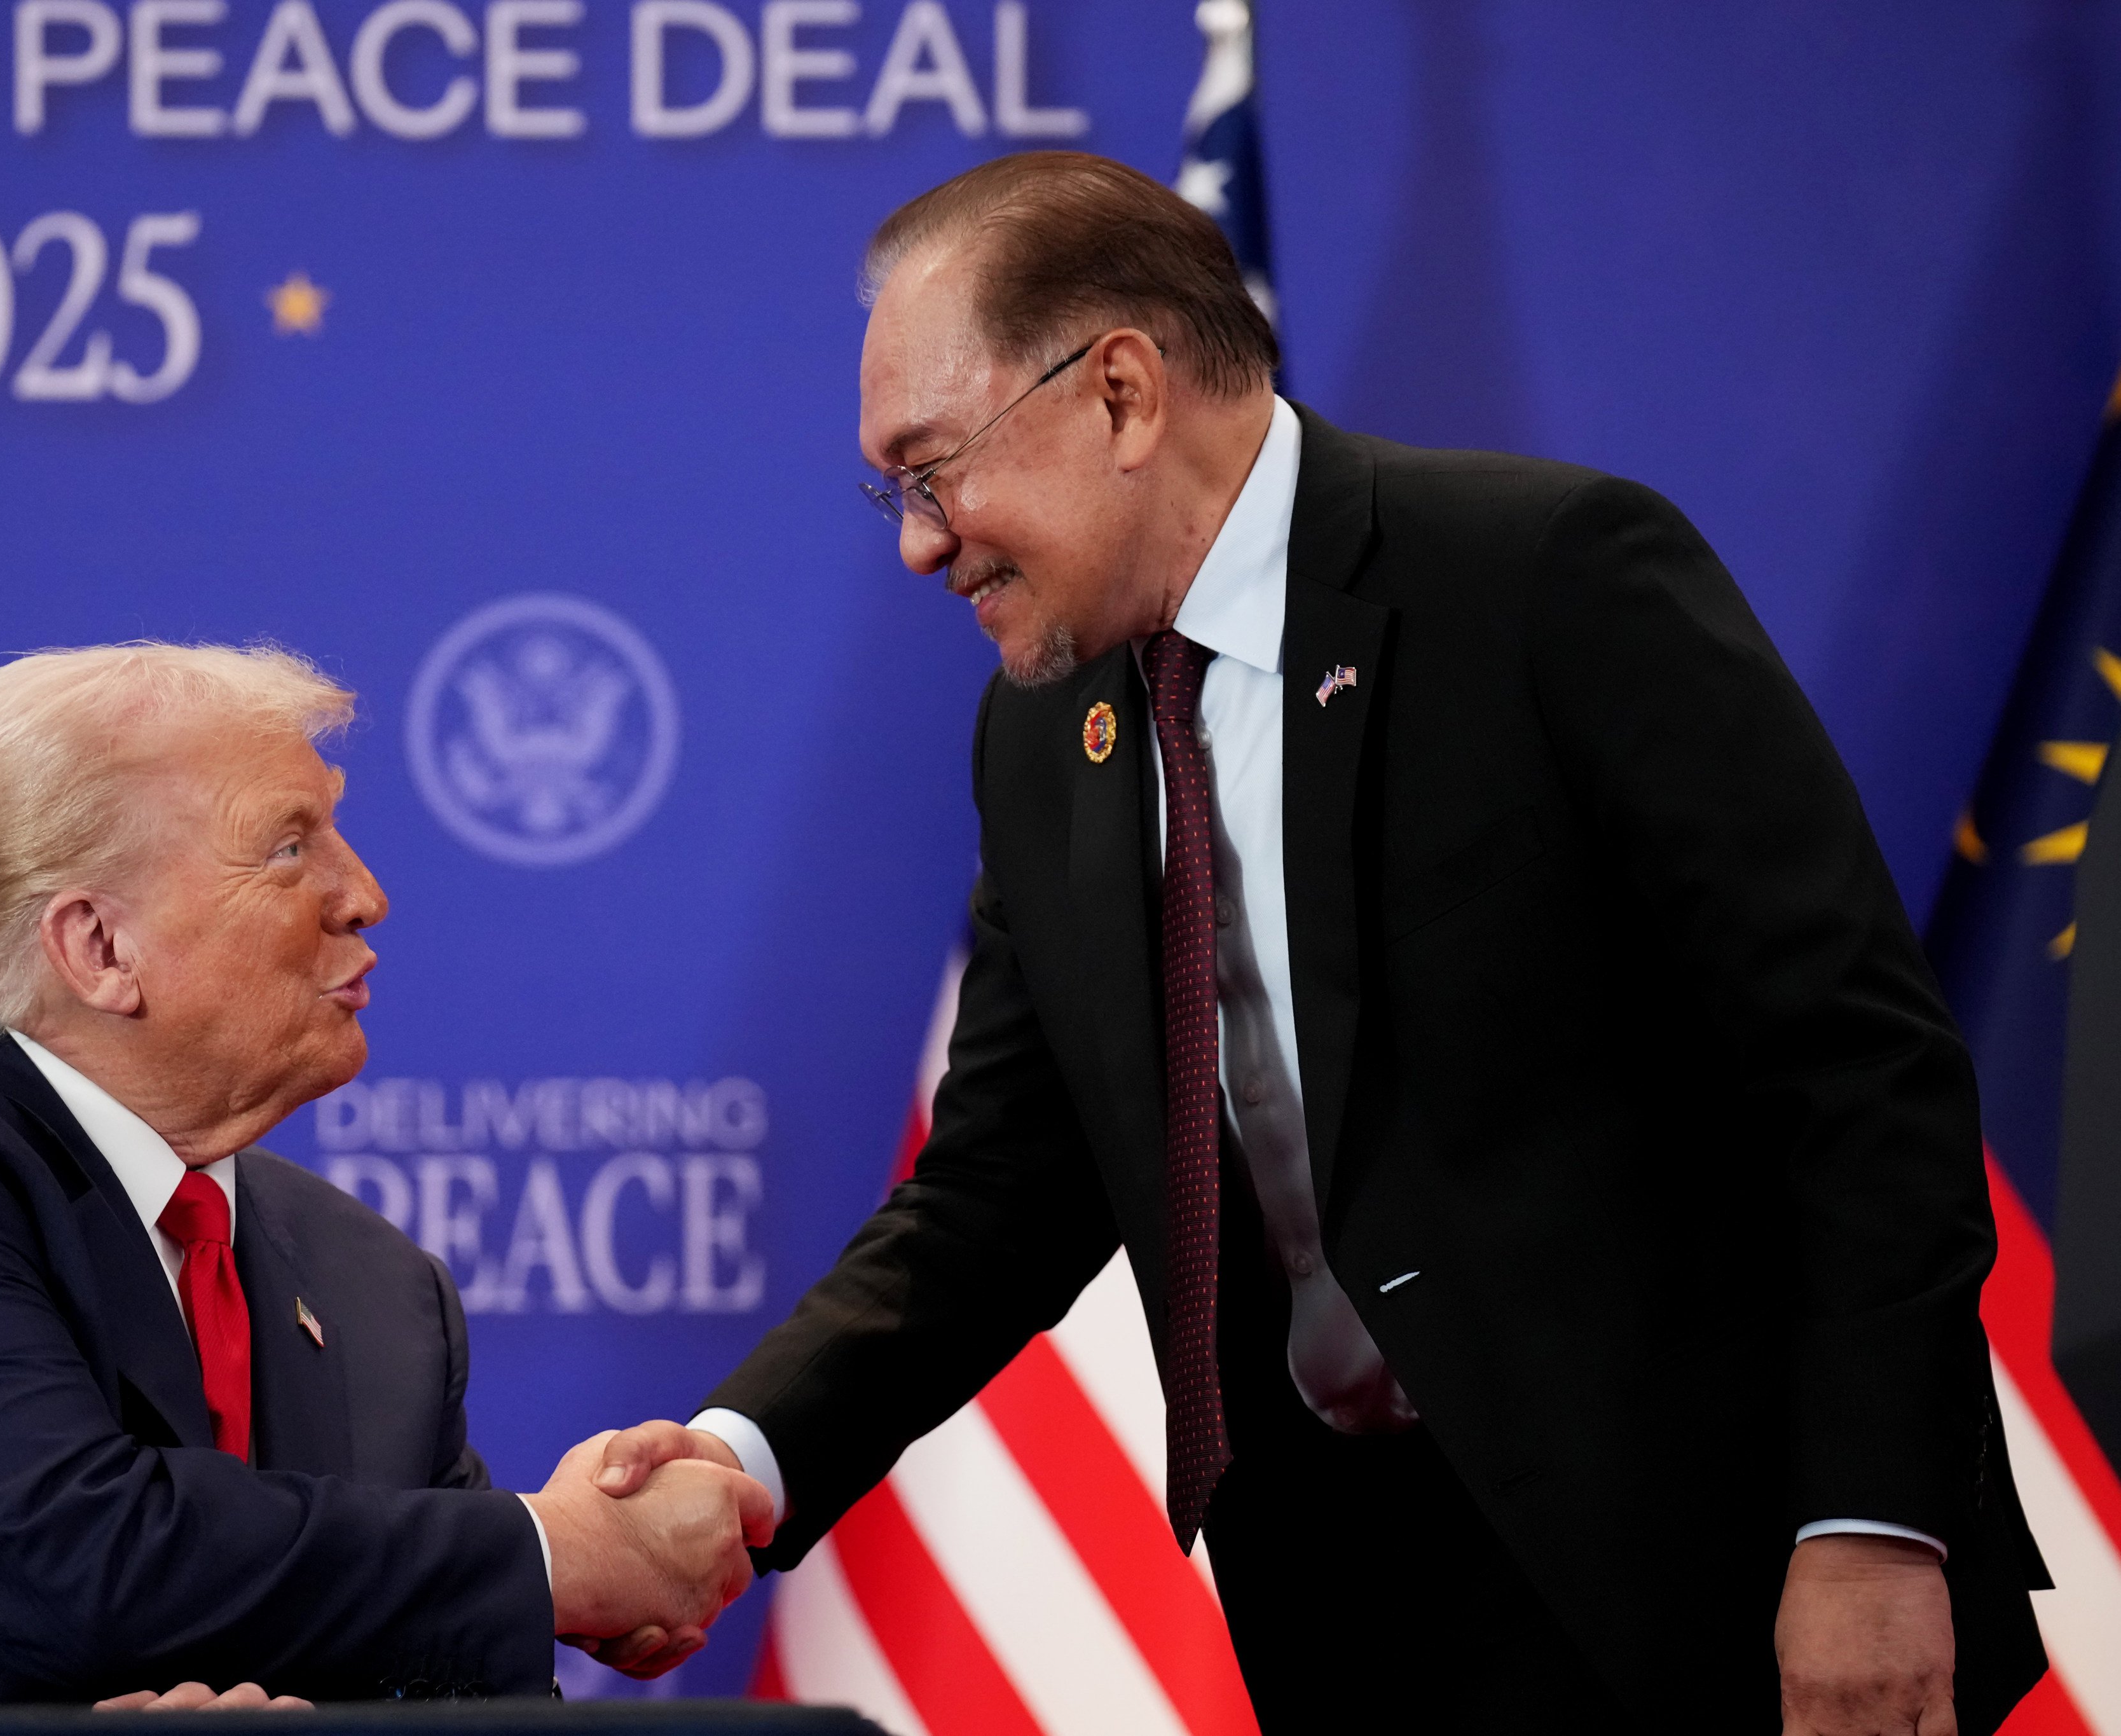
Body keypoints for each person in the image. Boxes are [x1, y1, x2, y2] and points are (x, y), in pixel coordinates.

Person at [595, 153, 2052, 1732]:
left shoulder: (1544, 582)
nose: (919, 545)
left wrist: (1866, 1525)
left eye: (929, 469)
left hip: (1718, 1581)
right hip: (1353, 1615)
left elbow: (1853, 1070)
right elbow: (999, 1189)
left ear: (1120, 395)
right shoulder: (1043, 743)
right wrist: (741, 1459)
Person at [0, 643, 769, 1704]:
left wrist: (589, 1542)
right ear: (101, 948)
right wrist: (553, 1547)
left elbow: (470, 1694)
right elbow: (60, 1562)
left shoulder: (376, 1287)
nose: (363, 892)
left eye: (336, 833)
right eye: (289, 847)